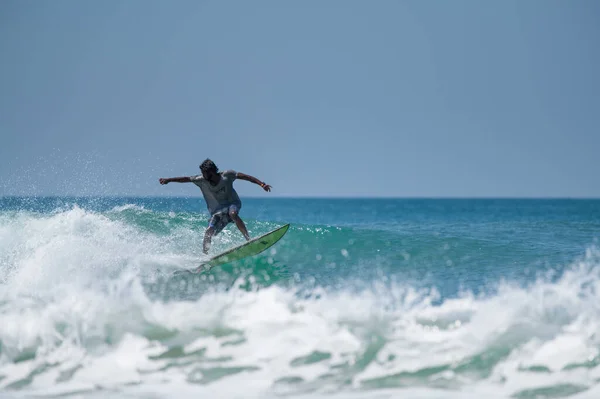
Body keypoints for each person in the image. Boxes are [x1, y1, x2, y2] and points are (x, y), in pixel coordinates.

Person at [159, 159, 272, 254]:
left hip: (233, 203)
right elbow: (186, 179)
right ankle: (205, 255)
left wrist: (262, 184)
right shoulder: (202, 180)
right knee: (209, 231)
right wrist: (169, 180)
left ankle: (248, 239)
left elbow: (245, 177)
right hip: (218, 210)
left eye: (204, 172)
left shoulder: (227, 175)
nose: (203, 175)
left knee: (232, 214)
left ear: (211, 172)